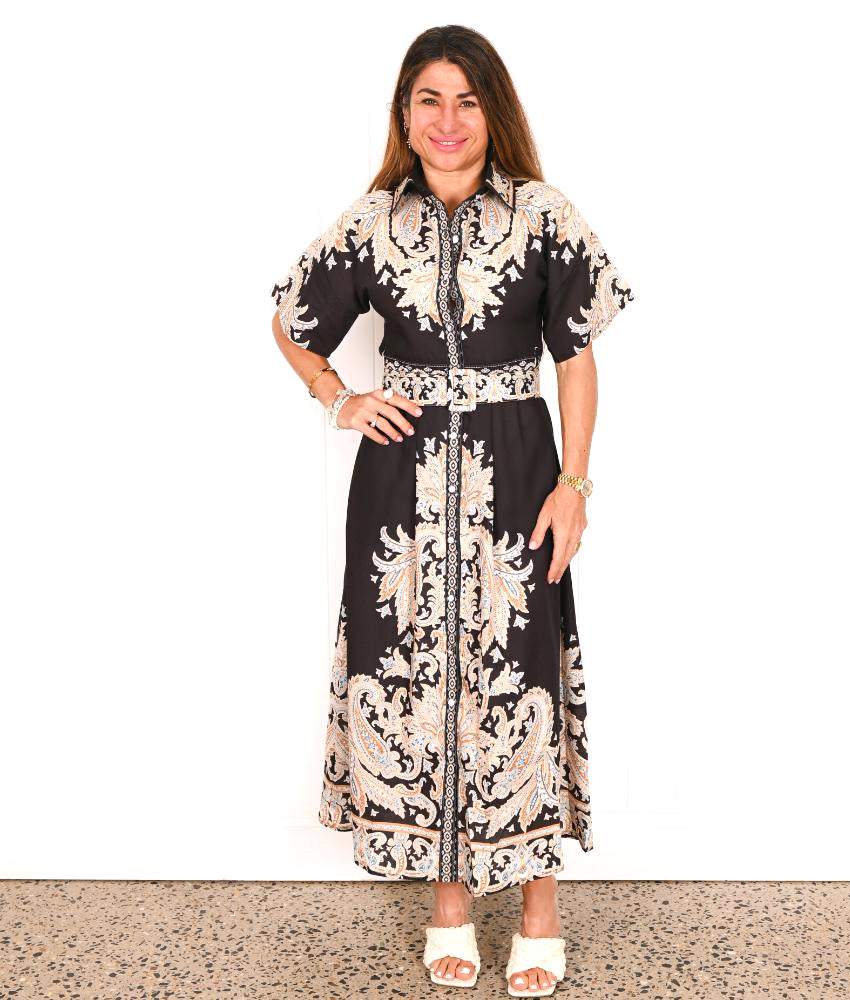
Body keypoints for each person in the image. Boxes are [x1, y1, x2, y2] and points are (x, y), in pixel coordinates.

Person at [270, 25, 634, 996]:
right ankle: (448, 902)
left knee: (522, 670)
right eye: (428, 99)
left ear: (492, 110)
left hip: (519, 470)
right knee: (415, 675)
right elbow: (291, 319)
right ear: (404, 113)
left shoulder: (543, 215)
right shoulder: (371, 222)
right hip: (400, 484)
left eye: (466, 100)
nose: (447, 119)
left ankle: (539, 906)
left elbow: (575, 356)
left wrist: (575, 485)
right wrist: (338, 397)